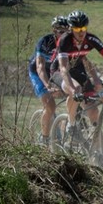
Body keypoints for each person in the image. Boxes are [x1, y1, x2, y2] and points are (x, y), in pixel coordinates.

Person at [53, 10, 103, 138]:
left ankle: (94, 149)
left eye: (83, 28)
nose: (81, 32)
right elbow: (63, 68)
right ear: (71, 28)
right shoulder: (65, 40)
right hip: (59, 72)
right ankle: (71, 125)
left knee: (94, 110)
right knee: (77, 89)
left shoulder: (91, 39)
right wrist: (73, 91)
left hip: (78, 71)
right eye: (77, 29)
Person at [27, 16, 69, 144]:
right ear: (54, 30)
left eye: (66, 31)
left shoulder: (67, 43)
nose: (63, 34)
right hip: (37, 72)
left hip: (53, 71)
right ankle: (44, 139)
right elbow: (40, 67)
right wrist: (48, 85)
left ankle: (67, 126)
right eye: (60, 31)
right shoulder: (45, 41)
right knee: (50, 106)